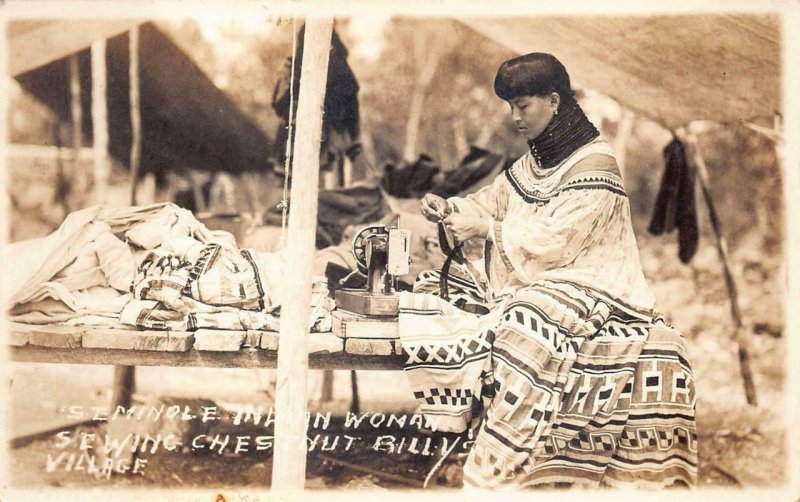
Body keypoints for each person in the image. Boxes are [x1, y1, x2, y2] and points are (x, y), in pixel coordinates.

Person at [401, 53, 697, 489]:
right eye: (511, 107)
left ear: (555, 101)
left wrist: (483, 229)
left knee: (526, 321)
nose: (515, 117)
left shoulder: (596, 164)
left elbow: (555, 242)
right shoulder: (537, 162)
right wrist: (452, 208)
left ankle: (500, 463)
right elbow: (493, 202)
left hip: (594, 282)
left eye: (523, 106)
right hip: (541, 275)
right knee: (433, 290)